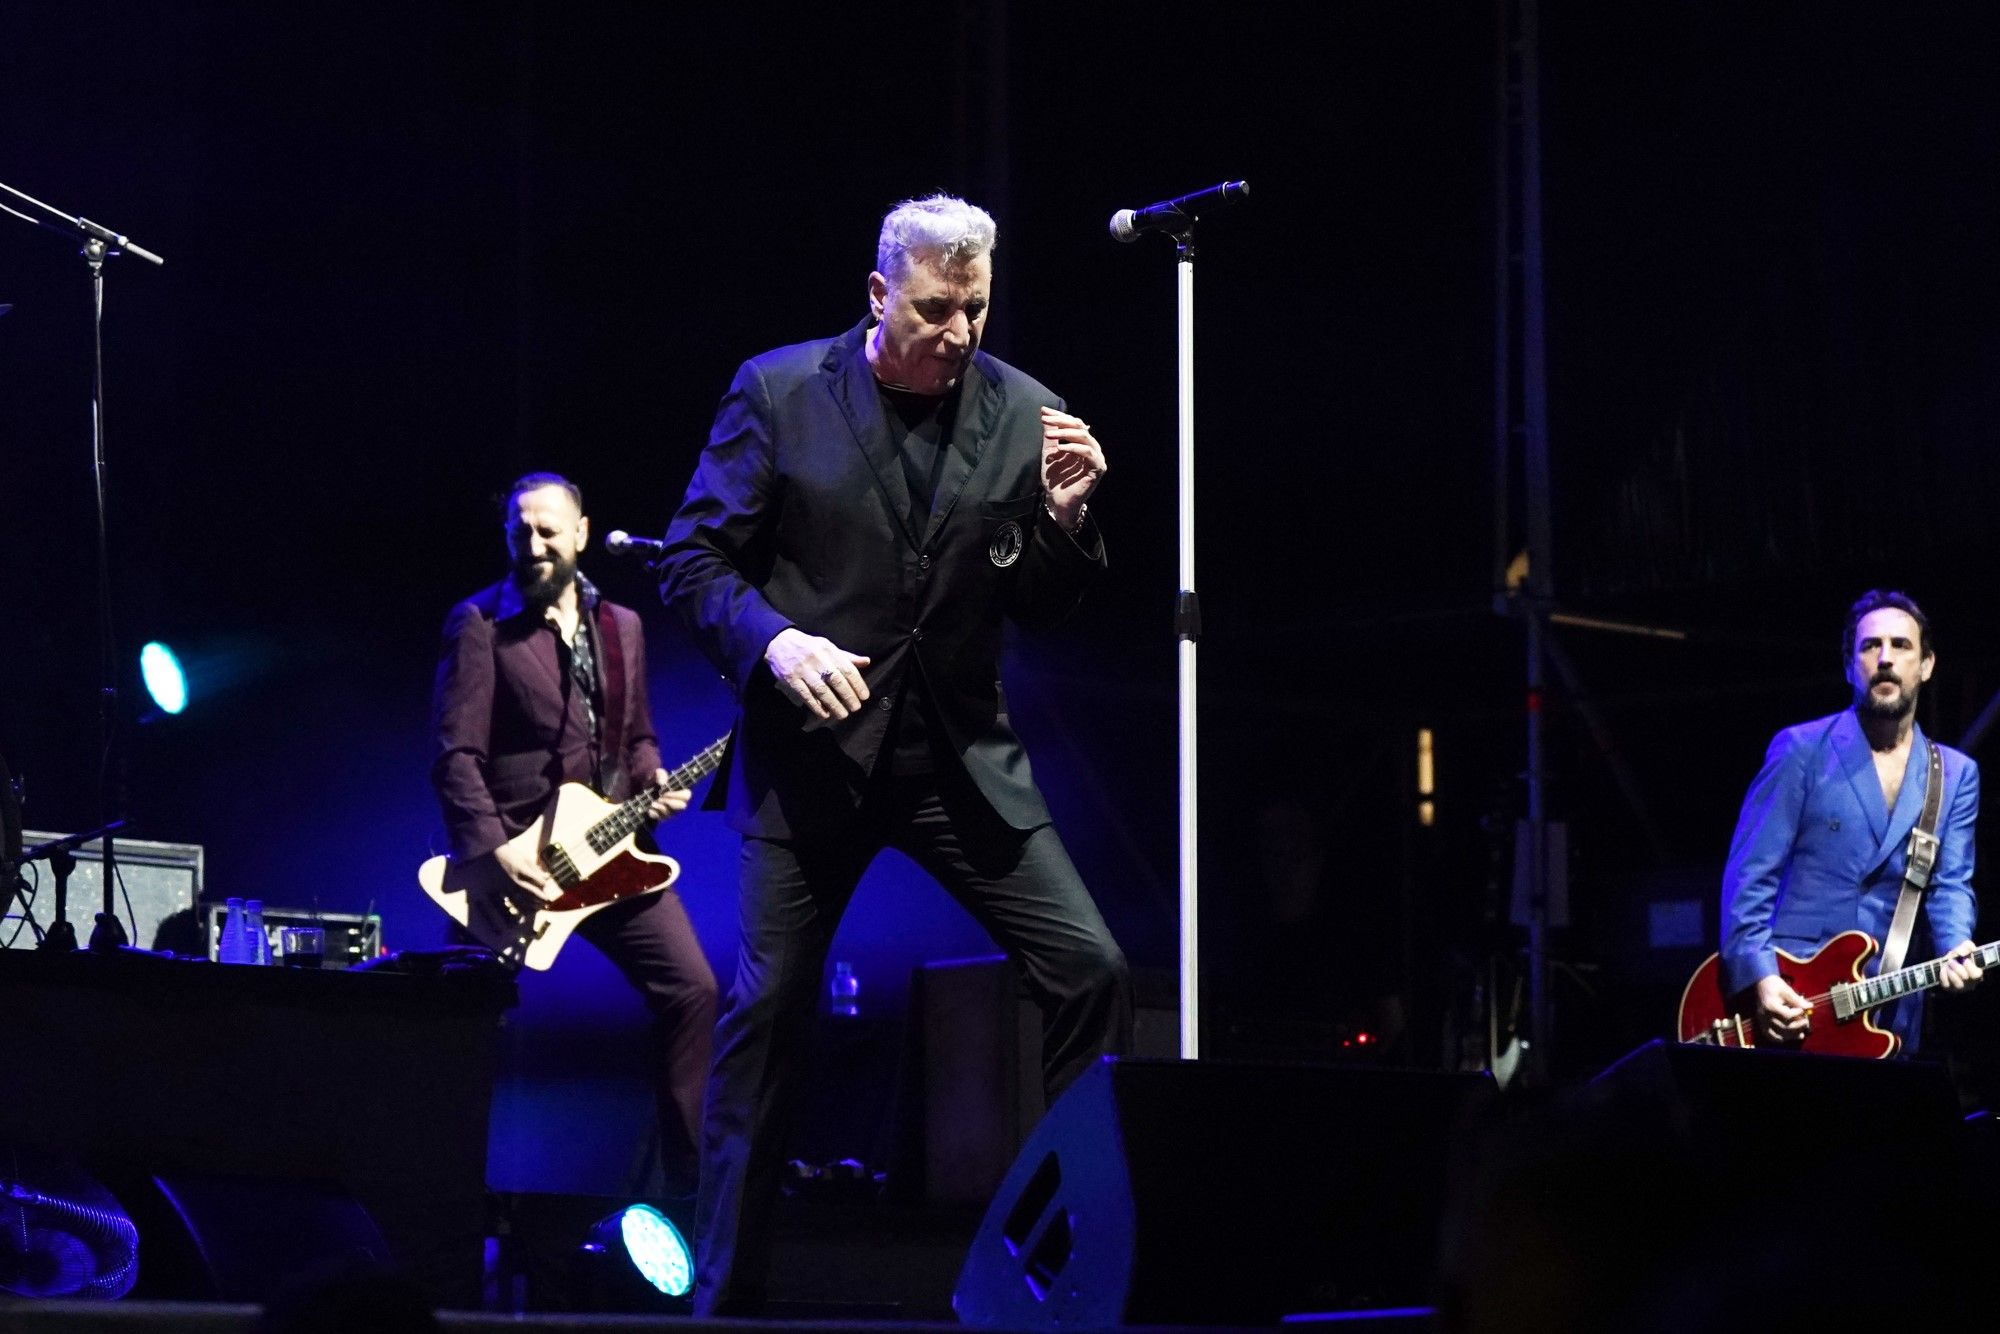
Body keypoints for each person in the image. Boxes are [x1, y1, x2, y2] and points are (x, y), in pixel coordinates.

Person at [657, 193, 1132, 1313]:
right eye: (932, 309)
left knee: (1092, 970)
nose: (956, 334)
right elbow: (692, 560)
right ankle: (724, 1296)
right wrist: (772, 642)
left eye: (973, 310)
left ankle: (1061, 1280)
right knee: (768, 1016)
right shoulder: (777, 390)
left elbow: (1040, 600)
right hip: (814, 759)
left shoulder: (1025, 411)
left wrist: (1067, 523)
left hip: (957, 759)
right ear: (878, 294)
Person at [430, 471, 717, 1195]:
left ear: (582, 535)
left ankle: (695, 1188)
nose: (533, 544)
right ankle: (441, 1184)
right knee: (458, 1024)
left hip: (613, 850)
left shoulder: (623, 627)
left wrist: (652, 780)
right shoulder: (479, 626)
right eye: (520, 531)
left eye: (548, 531)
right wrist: (495, 850)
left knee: (695, 990)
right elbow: (454, 756)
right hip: (513, 867)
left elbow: (639, 736)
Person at [1720, 588, 1982, 1053]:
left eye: (1901, 646)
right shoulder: (1801, 750)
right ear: (1848, 665)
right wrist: (1761, 978)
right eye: (1869, 646)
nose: (1885, 658)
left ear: (1926, 666)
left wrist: (1955, 944)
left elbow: (1951, 884)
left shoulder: (1956, 775)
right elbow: (1750, 878)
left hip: (1889, 1011)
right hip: (1796, 1002)